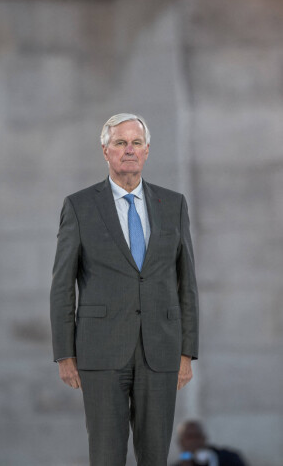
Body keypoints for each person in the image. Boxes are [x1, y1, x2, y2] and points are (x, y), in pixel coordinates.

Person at [50, 113, 199, 465]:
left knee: (155, 457)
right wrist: (64, 353)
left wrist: (187, 351)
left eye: (136, 143)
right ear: (105, 151)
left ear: (147, 151)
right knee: (105, 456)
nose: (128, 150)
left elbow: (187, 283)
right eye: (120, 143)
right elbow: (61, 285)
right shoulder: (80, 205)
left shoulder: (173, 204)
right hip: (100, 352)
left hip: (161, 351)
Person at [172, 420, 248, 466]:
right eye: (189, 437)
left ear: (204, 438)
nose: (194, 441)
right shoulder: (180, 464)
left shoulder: (228, 458)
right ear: (181, 442)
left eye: (197, 436)